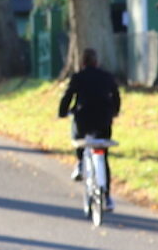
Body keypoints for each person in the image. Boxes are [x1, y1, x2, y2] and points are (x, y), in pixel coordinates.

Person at [58, 47, 121, 210]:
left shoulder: (78, 78)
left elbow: (68, 96)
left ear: (82, 62)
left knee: (78, 136)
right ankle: (106, 197)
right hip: (103, 121)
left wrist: (62, 112)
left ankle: (80, 162)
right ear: (97, 62)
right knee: (103, 155)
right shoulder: (107, 77)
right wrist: (114, 112)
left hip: (84, 120)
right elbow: (116, 96)